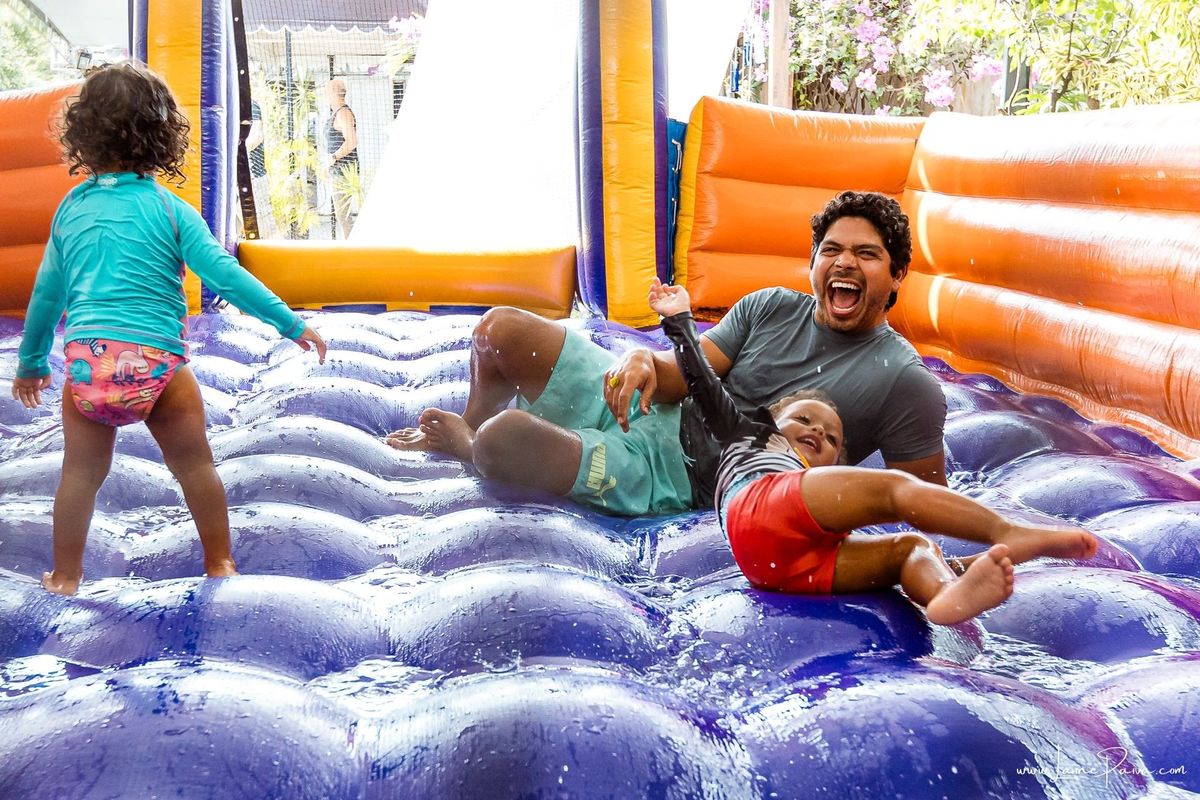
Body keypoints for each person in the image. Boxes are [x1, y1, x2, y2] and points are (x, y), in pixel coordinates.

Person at [387, 191, 945, 517]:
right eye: (832, 250)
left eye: (867, 255)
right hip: (651, 408)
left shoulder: (904, 381)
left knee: (505, 439)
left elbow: (921, 505)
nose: (844, 264)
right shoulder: (771, 307)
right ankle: (470, 422)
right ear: (814, 263)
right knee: (499, 330)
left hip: (676, 473)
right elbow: (683, 376)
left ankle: (471, 444)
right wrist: (642, 361)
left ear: (897, 275)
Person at [9, 62, 327, 596]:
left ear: (80, 136)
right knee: (196, 467)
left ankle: (65, 575)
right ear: (163, 137)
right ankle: (219, 562)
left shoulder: (70, 210)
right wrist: (289, 322)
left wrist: (32, 363)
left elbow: (46, 295)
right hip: (158, 365)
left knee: (80, 476)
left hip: (89, 364)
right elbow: (223, 272)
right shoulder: (170, 209)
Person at [647, 278, 1097, 624]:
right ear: (772, 418)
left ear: (838, 466)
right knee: (895, 489)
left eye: (830, 438)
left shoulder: (818, 496)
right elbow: (704, 383)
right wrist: (680, 320)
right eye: (803, 419)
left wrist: (960, 566)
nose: (816, 432)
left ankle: (942, 597)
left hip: (778, 565)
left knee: (910, 548)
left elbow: (828, 500)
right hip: (756, 505)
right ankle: (1006, 531)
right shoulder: (748, 433)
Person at [322, 78, 359, 239]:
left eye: (326, 91)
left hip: (343, 171)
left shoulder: (343, 113)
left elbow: (352, 141)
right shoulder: (336, 112)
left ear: (332, 93)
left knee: (343, 215)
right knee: (342, 215)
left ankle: (353, 250)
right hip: (337, 170)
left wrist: (334, 157)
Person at [244, 98, 275, 239]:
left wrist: (238, 154)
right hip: (238, 178)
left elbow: (257, 135)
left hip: (254, 175)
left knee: (263, 222)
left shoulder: (251, 104)